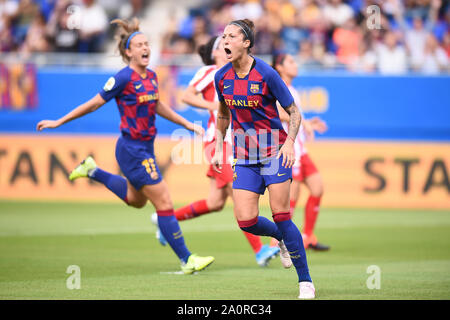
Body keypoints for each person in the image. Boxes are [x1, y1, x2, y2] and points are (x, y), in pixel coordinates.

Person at [36, 17, 215, 275]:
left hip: (145, 147)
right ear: (129, 52)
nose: (145, 48)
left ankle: (92, 170)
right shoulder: (122, 78)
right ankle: (187, 259)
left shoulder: (152, 77)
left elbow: (158, 105)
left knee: (136, 200)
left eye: (147, 43)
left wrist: (187, 124)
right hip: (132, 149)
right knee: (164, 200)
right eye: (139, 44)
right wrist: (59, 121)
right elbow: (94, 103)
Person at [151, 36, 280, 267]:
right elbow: (186, 95)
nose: (227, 46)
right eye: (222, 45)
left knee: (215, 202)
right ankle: (260, 250)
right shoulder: (210, 72)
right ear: (214, 53)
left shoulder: (239, 72)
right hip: (218, 141)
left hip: (239, 141)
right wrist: (215, 106)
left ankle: (166, 221)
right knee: (237, 189)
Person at [212, 19, 315, 299]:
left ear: (246, 43)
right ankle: (281, 239)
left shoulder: (266, 74)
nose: (225, 41)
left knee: (282, 216)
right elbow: (223, 113)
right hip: (244, 155)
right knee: (246, 221)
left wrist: (290, 143)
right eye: (223, 36)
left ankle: (305, 281)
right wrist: (219, 145)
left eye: (232, 36)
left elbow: (294, 113)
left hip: (274, 151)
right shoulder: (221, 77)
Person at [271, 53, 330, 251]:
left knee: (317, 188)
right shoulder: (278, 86)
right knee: (290, 198)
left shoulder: (293, 89)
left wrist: (307, 122)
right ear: (279, 67)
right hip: (289, 148)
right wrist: (303, 122)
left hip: (301, 149)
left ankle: (308, 236)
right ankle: (276, 241)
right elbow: (277, 113)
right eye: (290, 62)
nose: (295, 65)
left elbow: (294, 116)